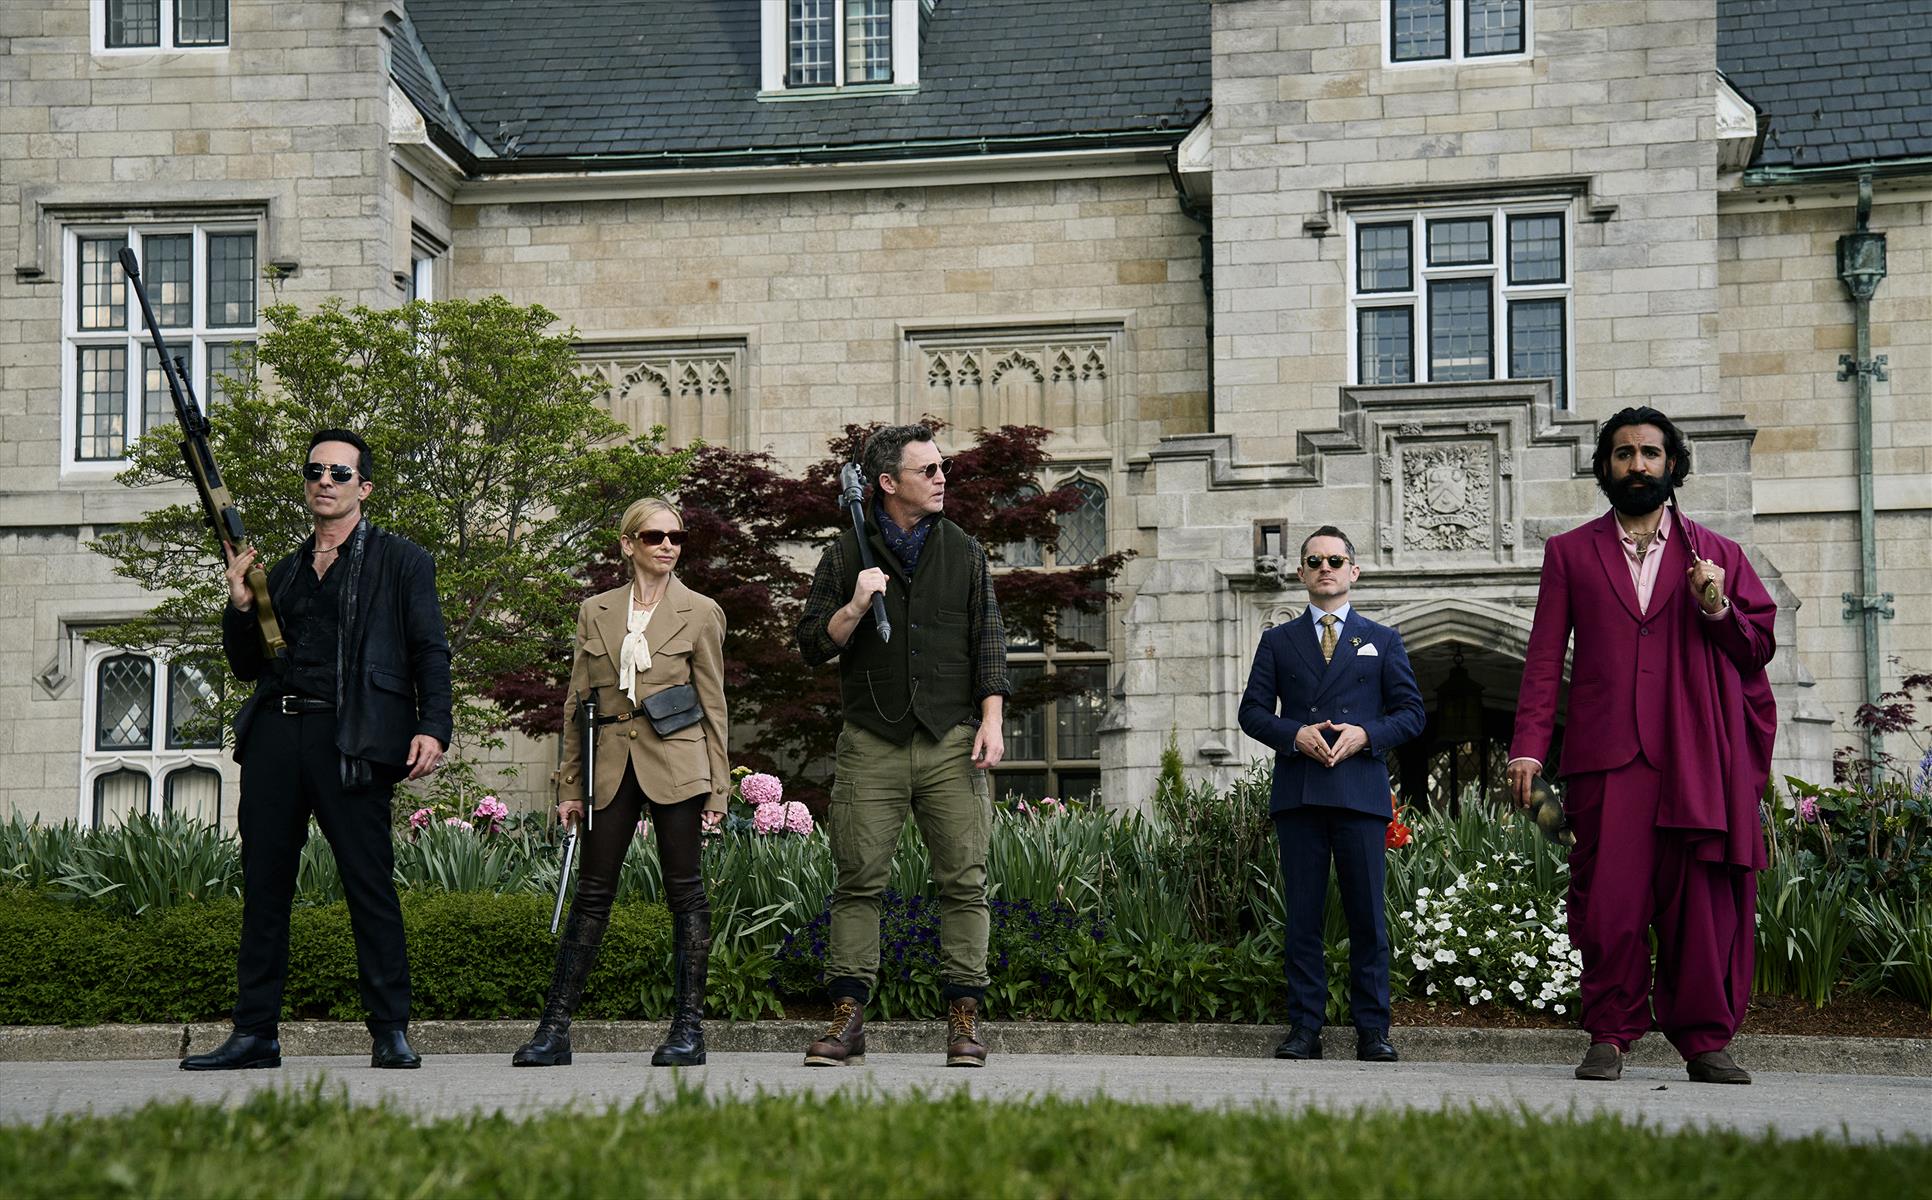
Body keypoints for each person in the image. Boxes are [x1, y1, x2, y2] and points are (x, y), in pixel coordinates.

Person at [1507, 407, 1777, 1085]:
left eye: (1650, 453)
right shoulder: (1570, 552)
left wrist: (1716, 608)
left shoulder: (1718, 555)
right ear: (1605, 467)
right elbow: (1544, 658)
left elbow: (1757, 649)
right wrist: (1528, 748)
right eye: (1623, 454)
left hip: (1695, 755)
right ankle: (1609, 1033)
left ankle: (1705, 1041)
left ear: (1672, 465)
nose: (1637, 465)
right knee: (1610, 904)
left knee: (1699, 906)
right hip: (1606, 757)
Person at [183, 429, 451, 1071]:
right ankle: (255, 1033)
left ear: (364, 487)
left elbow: (430, 649)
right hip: (277, 735)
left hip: (352, 738)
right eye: (315, 471)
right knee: (265, 887)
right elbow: (248, 666)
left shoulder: (401, 561)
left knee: (369, 884)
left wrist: (433, 725)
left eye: (339, 472)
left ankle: (389, 1030)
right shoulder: (282, 572)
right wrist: (240, 606)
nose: (325, 481)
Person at [794, 424, 1009, 1068]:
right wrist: (857, 605)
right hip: (872, 740)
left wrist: (992, 720)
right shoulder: (845, 554)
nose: (942, 479)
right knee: (858, 882)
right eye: (928, 470)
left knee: (964, 882)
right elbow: (812, 644)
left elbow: (989, 640)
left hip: (951, 739)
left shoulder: (965, 551)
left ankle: (964, 1020)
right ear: (887, 483)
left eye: (943, 468)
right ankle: (848, 1019)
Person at [514, 497, 730, 1068]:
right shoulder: (596, 611)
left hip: (678, 762)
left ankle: (688, 1031)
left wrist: (718, 787)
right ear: (628, 544)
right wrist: (568, 785)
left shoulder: (701, 611)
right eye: (655, 536)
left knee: (686, 892)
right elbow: (576, 702)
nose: (668, 546)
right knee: (592, 892)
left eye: (676, 537)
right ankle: (554, 1031)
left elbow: (714, 705)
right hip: (608, 763)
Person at [1238, 526, 1425, 1063]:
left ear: (1353, 572)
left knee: (1368, 916)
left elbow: (1411, 713)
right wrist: (1292, 733)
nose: (1326, 568)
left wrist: (1367, 735)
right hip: (1300, 793)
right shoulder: (1278, 640)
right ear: (1301, 573)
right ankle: (1304, 1028)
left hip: (1360, 793)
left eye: (1336, 560)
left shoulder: (1382, 639)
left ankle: (1373, 1030)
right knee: (1303, 916)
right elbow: (1252, 712)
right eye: (1316, 560)